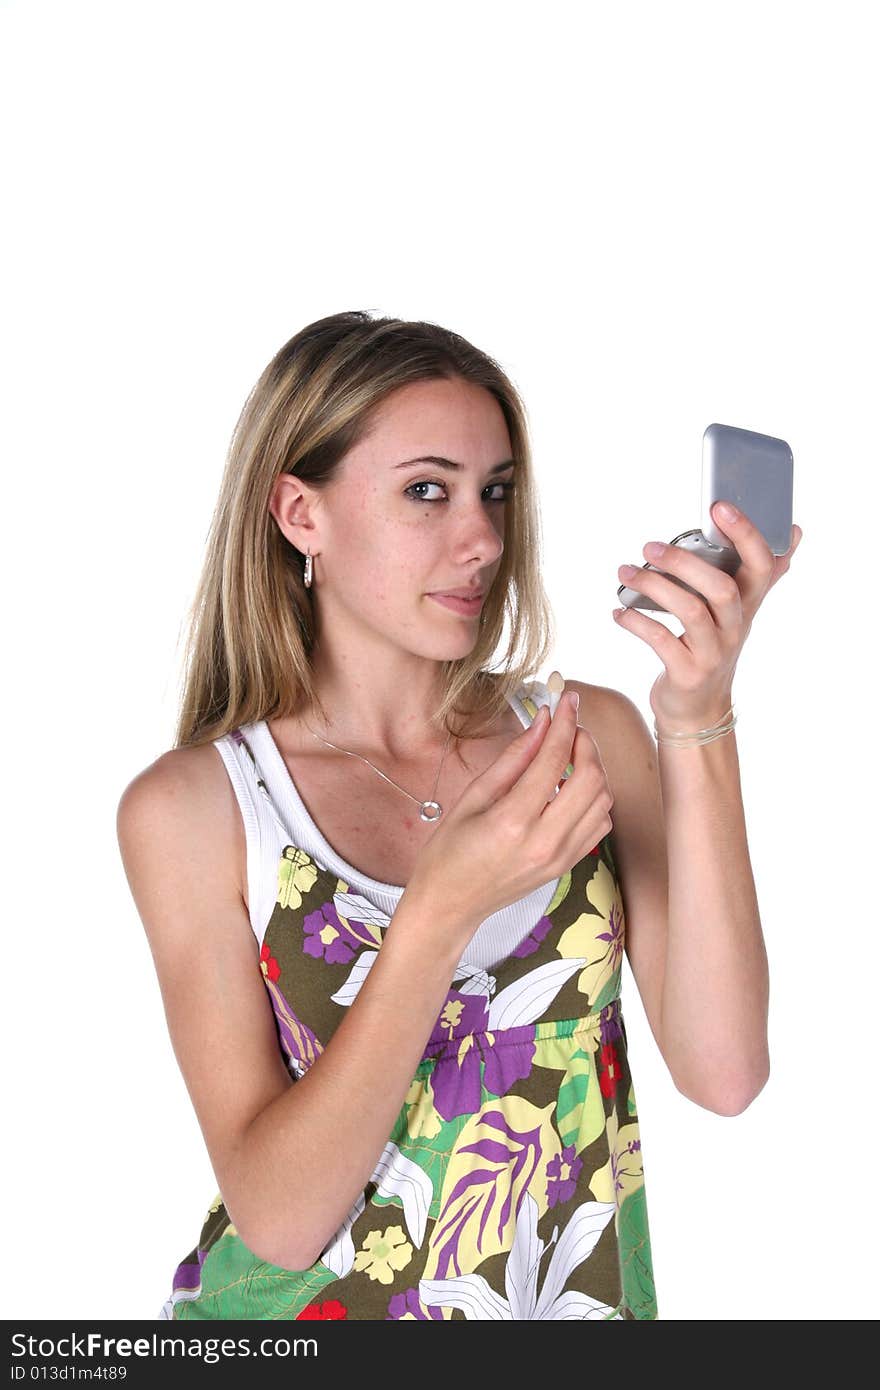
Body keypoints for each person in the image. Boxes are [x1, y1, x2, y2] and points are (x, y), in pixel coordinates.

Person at [117, 310, 800, 1321]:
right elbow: (279, 1216)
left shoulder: (582, 738)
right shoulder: (198, 806)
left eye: (494, 492)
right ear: (300, 514)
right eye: (424, 492)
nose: (480, 538)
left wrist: (695, 717)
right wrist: (440, 907)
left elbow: (726, 1070)